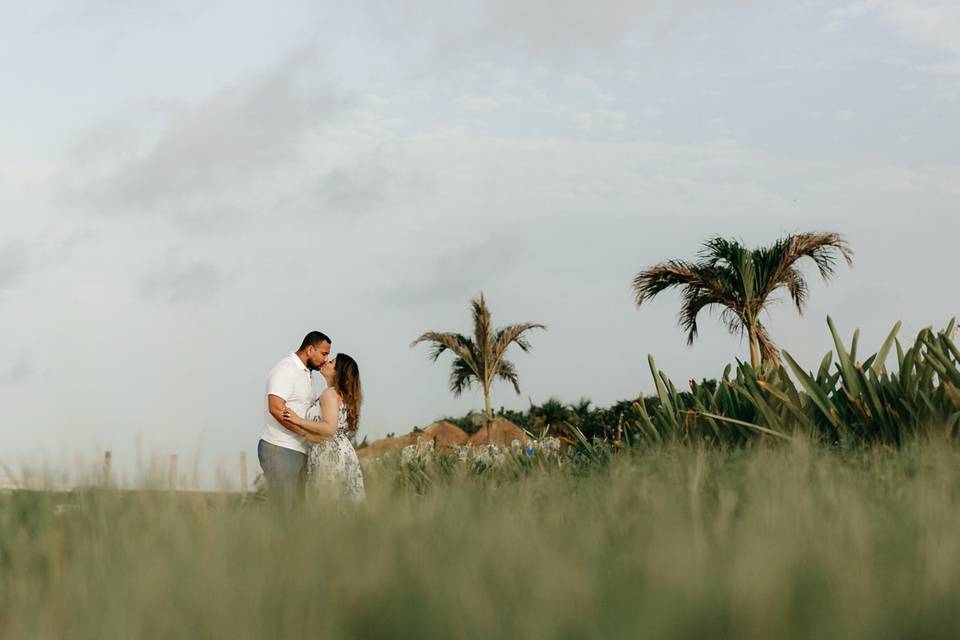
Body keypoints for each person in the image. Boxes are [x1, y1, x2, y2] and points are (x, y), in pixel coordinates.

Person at [282, 353, 366, 506]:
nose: (326, 362)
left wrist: (298, 420)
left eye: (332, 362)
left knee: (329, 503)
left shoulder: (330, 394)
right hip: (341, 451)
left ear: (338, 373)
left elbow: (329, 428)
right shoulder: (340, 395)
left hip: (329, 452)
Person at [258, 331, 331, 506]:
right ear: (310, 349)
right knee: (283, 512)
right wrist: (306, 435)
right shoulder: (286, 369)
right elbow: (275, 408)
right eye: (324, 354)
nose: (326, 360)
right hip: (280, 448)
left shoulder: (306, 373)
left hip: (299, 450)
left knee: (297, 514)